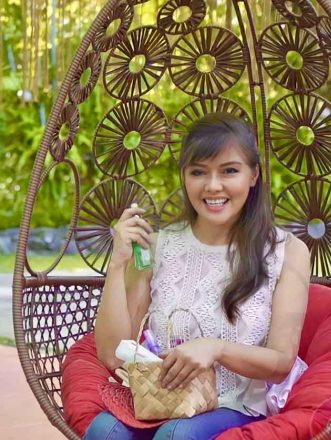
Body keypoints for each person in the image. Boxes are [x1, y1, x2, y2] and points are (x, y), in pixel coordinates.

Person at [84, 112, 310, 440]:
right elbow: (111, 354)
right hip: (161, 402)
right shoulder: (159, 246)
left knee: (177, 435)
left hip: (235, 407)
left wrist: (215, 349)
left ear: (253, 175)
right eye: (198, 172)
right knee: (104, 430)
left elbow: (281, 362)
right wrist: (118, 264)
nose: (213, 185)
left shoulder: (285, 251)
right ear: (184, 177)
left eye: (229, 171)